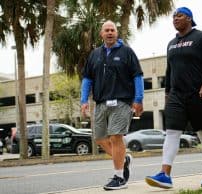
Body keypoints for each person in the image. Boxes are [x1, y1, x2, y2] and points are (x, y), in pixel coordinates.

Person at [145, 7, 202, 188]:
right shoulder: (171, 43)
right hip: (177, 96)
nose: (175, 19)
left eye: (179, 16)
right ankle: (165, 174)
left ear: (189, 19)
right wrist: (167, 95)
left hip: (200, 94)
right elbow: (169, 71)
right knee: (171, 133)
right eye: (173, 16)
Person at [80, 20, 144, 190]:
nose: (109, 33)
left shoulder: (127, 52)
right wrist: (84, 100)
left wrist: (138, 99)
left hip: (122, 102)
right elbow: (87, 79)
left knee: (116, 136)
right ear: (101, 34)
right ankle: (124, 160)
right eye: (106, 30)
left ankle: (119, 177)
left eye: (112, 30)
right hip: (101, 103)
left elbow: (137, 76)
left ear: (117, 33)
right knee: (100, 139)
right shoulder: (94, 55)